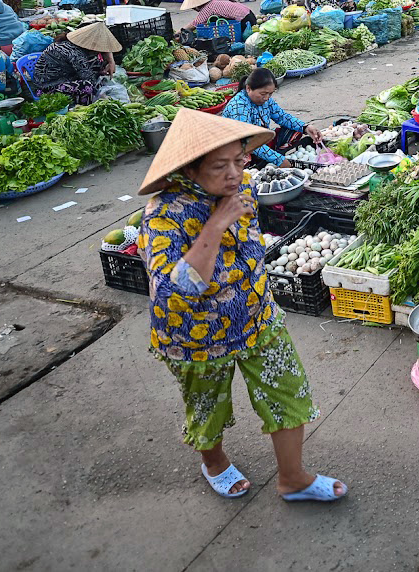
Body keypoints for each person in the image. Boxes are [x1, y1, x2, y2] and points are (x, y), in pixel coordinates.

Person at [137, 109, 344, 503]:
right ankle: (213, 464)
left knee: (288, 391)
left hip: (257, 316)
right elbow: (172, 291)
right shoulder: (163, 215)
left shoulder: (241, 187)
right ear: (190, 170)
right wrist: (215, 225)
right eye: (220, 165)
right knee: (206, 407)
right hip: (196, 335)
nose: (235, 173)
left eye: (239, 160)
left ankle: (293, 478)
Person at [222, 67, 322, 167]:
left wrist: (306, 127)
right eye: (263, 94)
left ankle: (267, 157)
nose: (266, 98)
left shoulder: (266, 100)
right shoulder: (239, 107)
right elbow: (249, 141)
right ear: (248, 88)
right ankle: (261, 161)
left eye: (270, 94)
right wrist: (279, 160)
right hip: (240, 147)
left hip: (259, 141)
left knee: (295, 129)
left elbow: (282, 117)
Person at [30, 22, 120, 105]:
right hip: (47, 87)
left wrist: (110, 62)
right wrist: (103, 96)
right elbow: (89, 79)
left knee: (95, 65)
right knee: (87, 86)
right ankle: (86, 106)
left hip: (64, 76)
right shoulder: (74, 53)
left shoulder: (74, 44)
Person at [179, 0, 258, 41]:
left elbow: (195, 24)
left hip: (246, 20)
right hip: (249, 15)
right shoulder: (215, 2)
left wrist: (179, 32)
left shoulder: (209, 7)